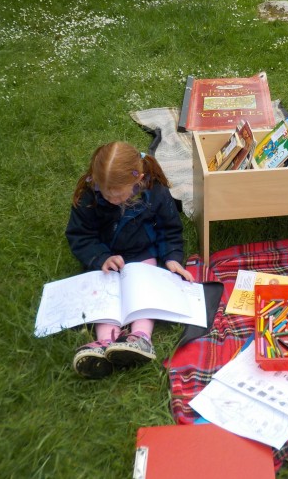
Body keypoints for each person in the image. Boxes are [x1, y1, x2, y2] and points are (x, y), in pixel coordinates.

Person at [66, 141, 194, 379]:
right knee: (105, 294)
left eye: (119, 195)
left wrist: (172, 258)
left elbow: (170, 230)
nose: (113, 200)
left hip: (142, 255)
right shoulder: (89, 194)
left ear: (139, 179)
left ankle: (141, 338)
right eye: (107, 195)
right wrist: (100, 257)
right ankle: (104, 343)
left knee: (143, 294)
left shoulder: (155, 191)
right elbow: (80, 235)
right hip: (107, 257)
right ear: (95, 180)